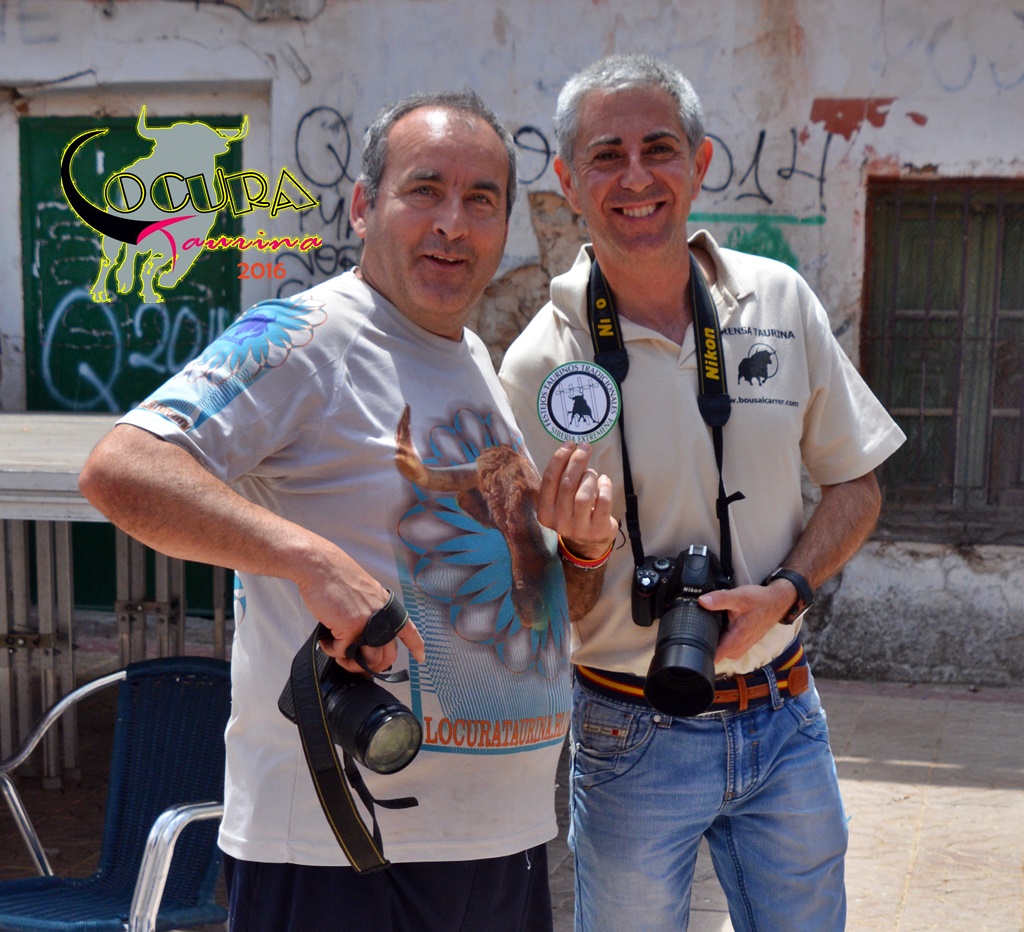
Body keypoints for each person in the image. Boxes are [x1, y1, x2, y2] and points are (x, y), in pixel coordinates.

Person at [79, 90, 617, 932]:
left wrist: (580, 554)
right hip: (343, 854)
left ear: (504, 226)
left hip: (502, 847)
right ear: (364, 206)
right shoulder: (305, 335)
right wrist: (308, 559)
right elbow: (122, 468)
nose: (452, 224)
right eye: (424, 190)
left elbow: (539, 615)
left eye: (481, 200)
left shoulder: (475, 360)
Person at [499, 54, 906, 932]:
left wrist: (788, 591)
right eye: (606, 156)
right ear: (568, 181)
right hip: (627, 728)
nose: (636, 177)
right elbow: (535, 605)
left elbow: (857, 483)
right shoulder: (538, 363)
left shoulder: (779, 301)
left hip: (785, 711)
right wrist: (584, 552)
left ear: (701, 161)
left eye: (659, 148)